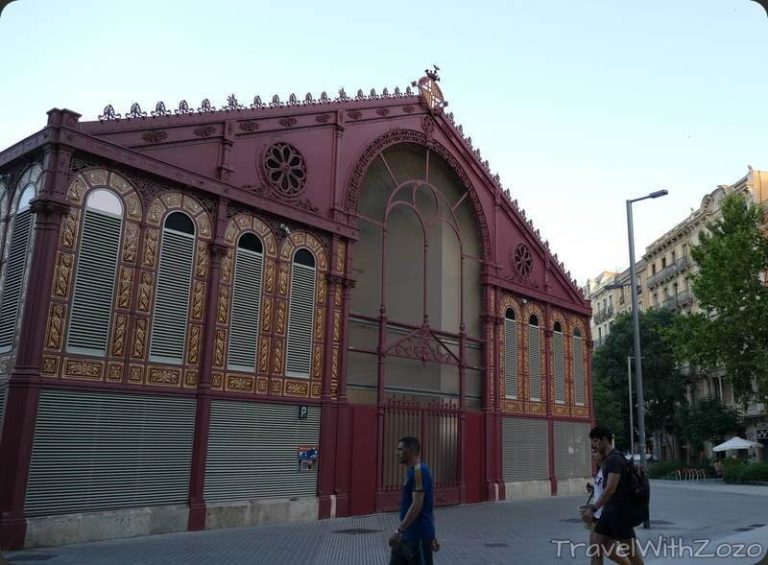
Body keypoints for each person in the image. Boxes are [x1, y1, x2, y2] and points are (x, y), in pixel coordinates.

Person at [581, 425, 643, 565]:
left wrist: (593, 508)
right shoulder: (608, 460)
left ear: (604, 440)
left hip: (620, 515)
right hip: (609, 513)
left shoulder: (615, 459)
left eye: (596, 441)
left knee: (632, 555)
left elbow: (610, 489)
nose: (594, 445)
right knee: (596, 550)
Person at [388, 436, 436, 565]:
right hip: (407, 536)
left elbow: (418, 504)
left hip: (417, 536)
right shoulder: (411, 471)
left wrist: (399, 531)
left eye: (400, 449)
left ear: (410, 450)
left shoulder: (419, 472)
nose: (396, 453)